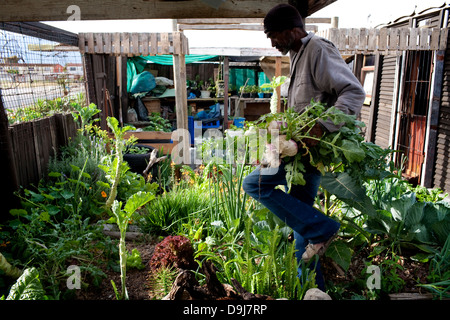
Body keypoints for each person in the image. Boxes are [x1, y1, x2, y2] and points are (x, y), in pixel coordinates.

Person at [242, 3, 366, 290]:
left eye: (274, 35)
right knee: (302, 222)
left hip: (308, 151)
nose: (272, 43)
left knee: (255, 185)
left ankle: (323, 228)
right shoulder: (298, 54)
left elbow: (353, 91)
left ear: (293, 30)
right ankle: (313, 290)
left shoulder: (318, 49)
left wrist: (323, 126)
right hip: (302, 152)